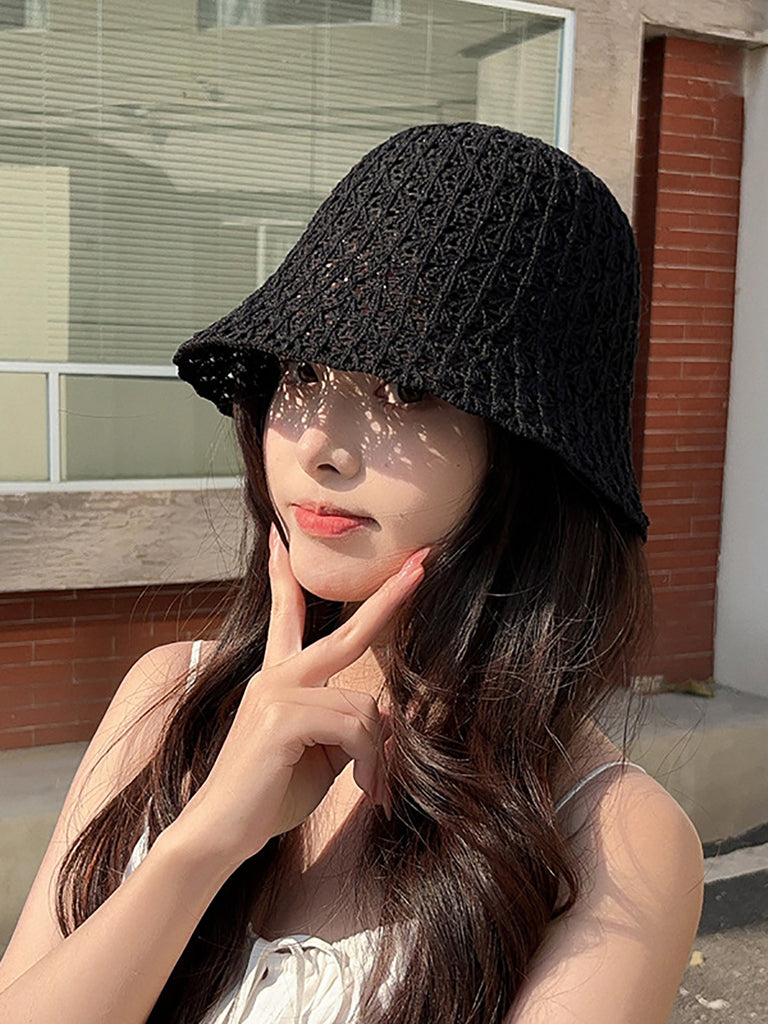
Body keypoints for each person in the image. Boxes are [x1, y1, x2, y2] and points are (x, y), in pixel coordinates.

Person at [0, 122, 704, 1023]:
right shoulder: (167, 701)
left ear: (528, 452)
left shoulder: (610, 835)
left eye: (404, 391)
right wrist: (203, 841)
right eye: (300, 374)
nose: (318, 447)